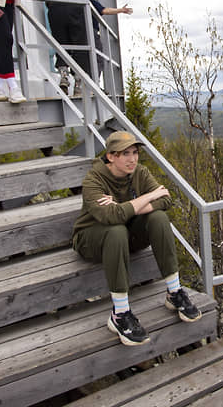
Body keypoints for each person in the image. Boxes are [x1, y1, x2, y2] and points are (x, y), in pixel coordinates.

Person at [72, 131, 201, 346]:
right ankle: (120, 314)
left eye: (135, 152)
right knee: (116, 229)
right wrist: (150, 196)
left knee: (158, 217)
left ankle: (174, 292)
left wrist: (129, 207)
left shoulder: (140, 172)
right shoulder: (93, 179)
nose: (132, 159)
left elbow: (167, 200)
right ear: (111, 156)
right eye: (125, 154)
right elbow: (111, 217)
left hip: (126, 236)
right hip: (91, 240)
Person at [86, 0, 132, 86]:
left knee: (80, 56)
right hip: (91, 33)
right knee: (97, 58)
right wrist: (121, 10)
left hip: (76, 33)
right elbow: (104, 10)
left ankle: (79, 82)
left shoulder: (73, 2)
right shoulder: (90, 2)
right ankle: (94, 83)